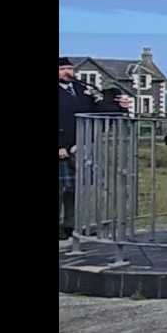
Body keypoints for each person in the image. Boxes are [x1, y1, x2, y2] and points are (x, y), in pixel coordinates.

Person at [58, 56, 128, 239]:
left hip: (79, 147)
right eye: (62, 69)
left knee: (75, 190)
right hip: (61, 148)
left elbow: (99, 111)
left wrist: (120, 106)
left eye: (69, 69)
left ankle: (71, 225)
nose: (67, 72)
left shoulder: (81, 90)